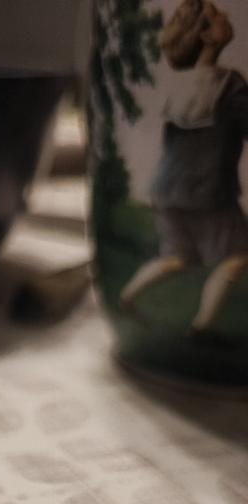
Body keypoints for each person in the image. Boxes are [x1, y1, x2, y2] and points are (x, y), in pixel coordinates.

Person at [121, 0, 248, 331]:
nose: (225, 18)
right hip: (210, 192)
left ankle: (128, 297)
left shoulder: (175, 86)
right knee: (236, 257)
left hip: (168, 190)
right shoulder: (229, 84)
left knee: (175, 257)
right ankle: (204, 324)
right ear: (206, 35)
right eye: (217, 16)